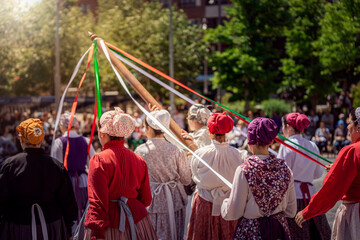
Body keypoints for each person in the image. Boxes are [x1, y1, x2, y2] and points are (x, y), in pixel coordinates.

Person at [84, 107, 157, 239]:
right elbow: (146, 199)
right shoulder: (139, 160)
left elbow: (97, 202)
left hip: (109, 224)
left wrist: (97, 233)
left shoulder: (99, 160)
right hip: (137, 222)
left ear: (103, 134)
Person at [0, 118, 77, 239]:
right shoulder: (56, 166)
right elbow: (68, 202)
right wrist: (68, 228)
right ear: (41, 139)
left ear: (21, 139)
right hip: (52, 226)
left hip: (18, 227)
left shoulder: (10, 165)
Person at [221, 117, 297, 239]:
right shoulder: (285, 169)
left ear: (250, 143)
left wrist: (225, 203)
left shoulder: (244, 170)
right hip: (278, 231)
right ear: (271, 142)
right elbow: (291, 211)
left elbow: (234, 212)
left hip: (251, 231)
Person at [295, 107, 360, 240]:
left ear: (357, 126)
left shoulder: (352, 151)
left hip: (356, 213)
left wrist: (308, 212)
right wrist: (339, 168)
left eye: (349, 123)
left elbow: (332, 189)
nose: (347, 127)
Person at [186, 112, 248, 240]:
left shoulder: (200, 154)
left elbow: (194, 175)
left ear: (210, 130)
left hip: (204, 202)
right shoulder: (239, 155)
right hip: (229, 205)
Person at [135, 107, 191, 240]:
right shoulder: (176, 150)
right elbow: (186, 179)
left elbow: (137, 180)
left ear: (149, 128)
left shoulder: (140, 151)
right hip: (174, 198)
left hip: (151, 199)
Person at [277, 113, 331, 239]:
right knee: (315, 232)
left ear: (288, 127)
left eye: (283, 126)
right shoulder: (312, 145)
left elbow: (282, 173)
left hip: (293, 196)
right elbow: (318, 173)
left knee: (296, 233)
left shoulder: (287, 145)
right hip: (311, 195)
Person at [51, 112, 96, 223]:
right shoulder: (85, 141)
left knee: (68, 210)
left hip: (66, 182)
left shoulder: (59, 142)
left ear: (62, 125)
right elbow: (93, 163)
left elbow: (56, 166)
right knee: (83, 210)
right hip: (83, 181)